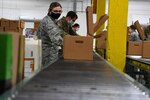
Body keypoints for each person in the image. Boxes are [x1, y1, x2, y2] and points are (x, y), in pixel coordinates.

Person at [36, 2, 67, 69]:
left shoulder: (53, 21)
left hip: (50, 52)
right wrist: (71, 44)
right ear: (50, 11)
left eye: (60, 11)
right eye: (55, 11)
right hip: (48, 53)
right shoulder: (48, 22)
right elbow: (56, 39)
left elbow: (59, 33)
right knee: (48, 72)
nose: (58, 13)